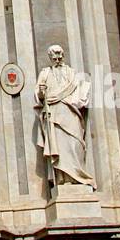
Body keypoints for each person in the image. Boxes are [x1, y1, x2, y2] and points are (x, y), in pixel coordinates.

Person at [33, 45, 94, 186]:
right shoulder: (45, 73)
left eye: (60, 55)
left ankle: (77, 177)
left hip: (71, 112)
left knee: (75, 144)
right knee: (59, 148)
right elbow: (38, 95)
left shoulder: (72, 73)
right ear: (50, 57)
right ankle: (62, 179)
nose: (58, 59)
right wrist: (42, 92)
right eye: (54, 56)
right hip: (54, 113)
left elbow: (79, 93)